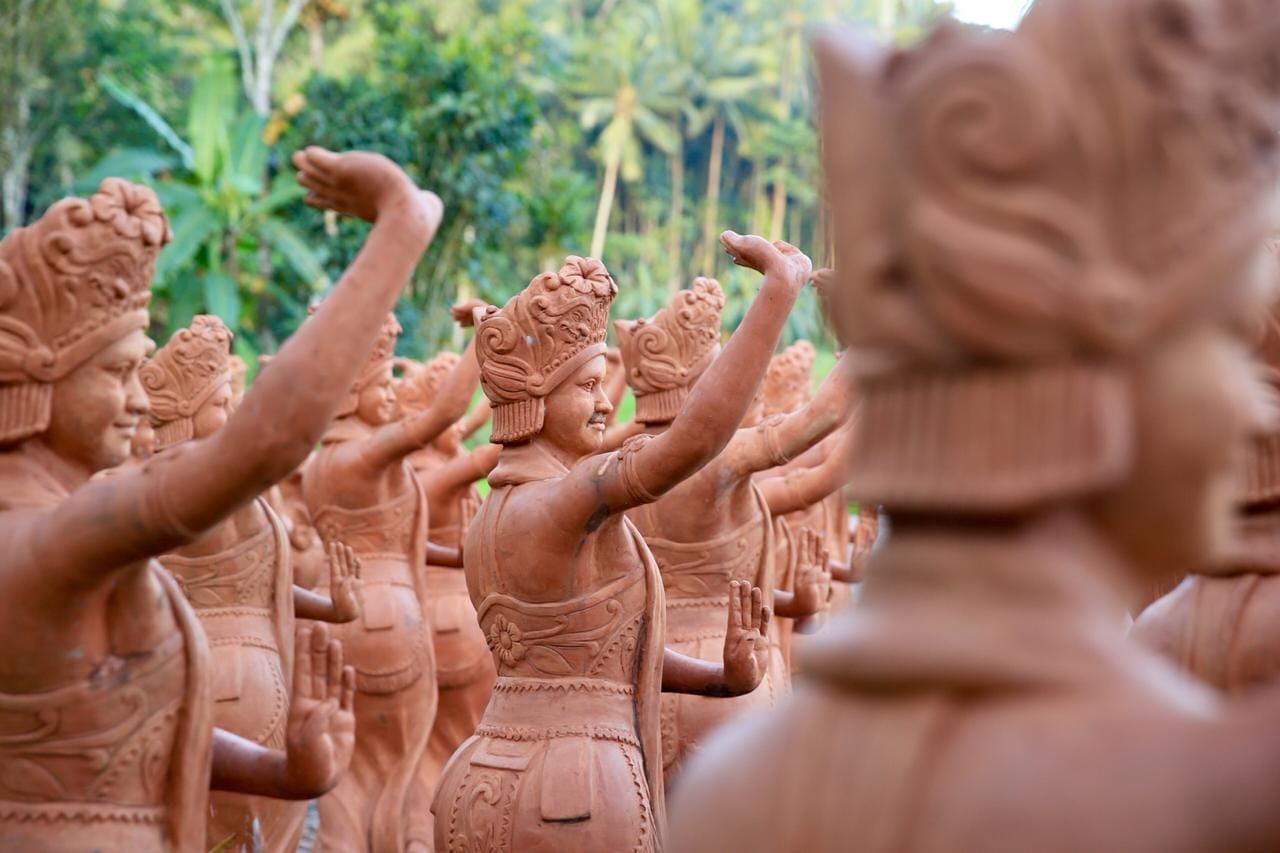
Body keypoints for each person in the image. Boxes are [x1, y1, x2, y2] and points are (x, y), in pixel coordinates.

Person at [669, 1, 1280, 849]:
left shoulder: (733, 788)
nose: (1253, 406)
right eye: (1220, 341)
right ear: (1107, 374)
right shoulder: (1213, 787)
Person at [0, 145, 441, 851]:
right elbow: (268, 441)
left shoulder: (65, 536)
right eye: (118, 371)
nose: (139, 400)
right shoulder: (41, 541)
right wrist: (401, 223)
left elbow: (131, 723)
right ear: (42, 381)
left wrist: (283, 769)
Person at [432, 242, 800, 851]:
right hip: (572, 792)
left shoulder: (491, 515)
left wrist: (721, 678)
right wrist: (777, 292)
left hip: (483, 778)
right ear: (538, 399)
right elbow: (694, 440)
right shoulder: (565, 500)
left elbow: (598, 658)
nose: (608, 403)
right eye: (588, 387)